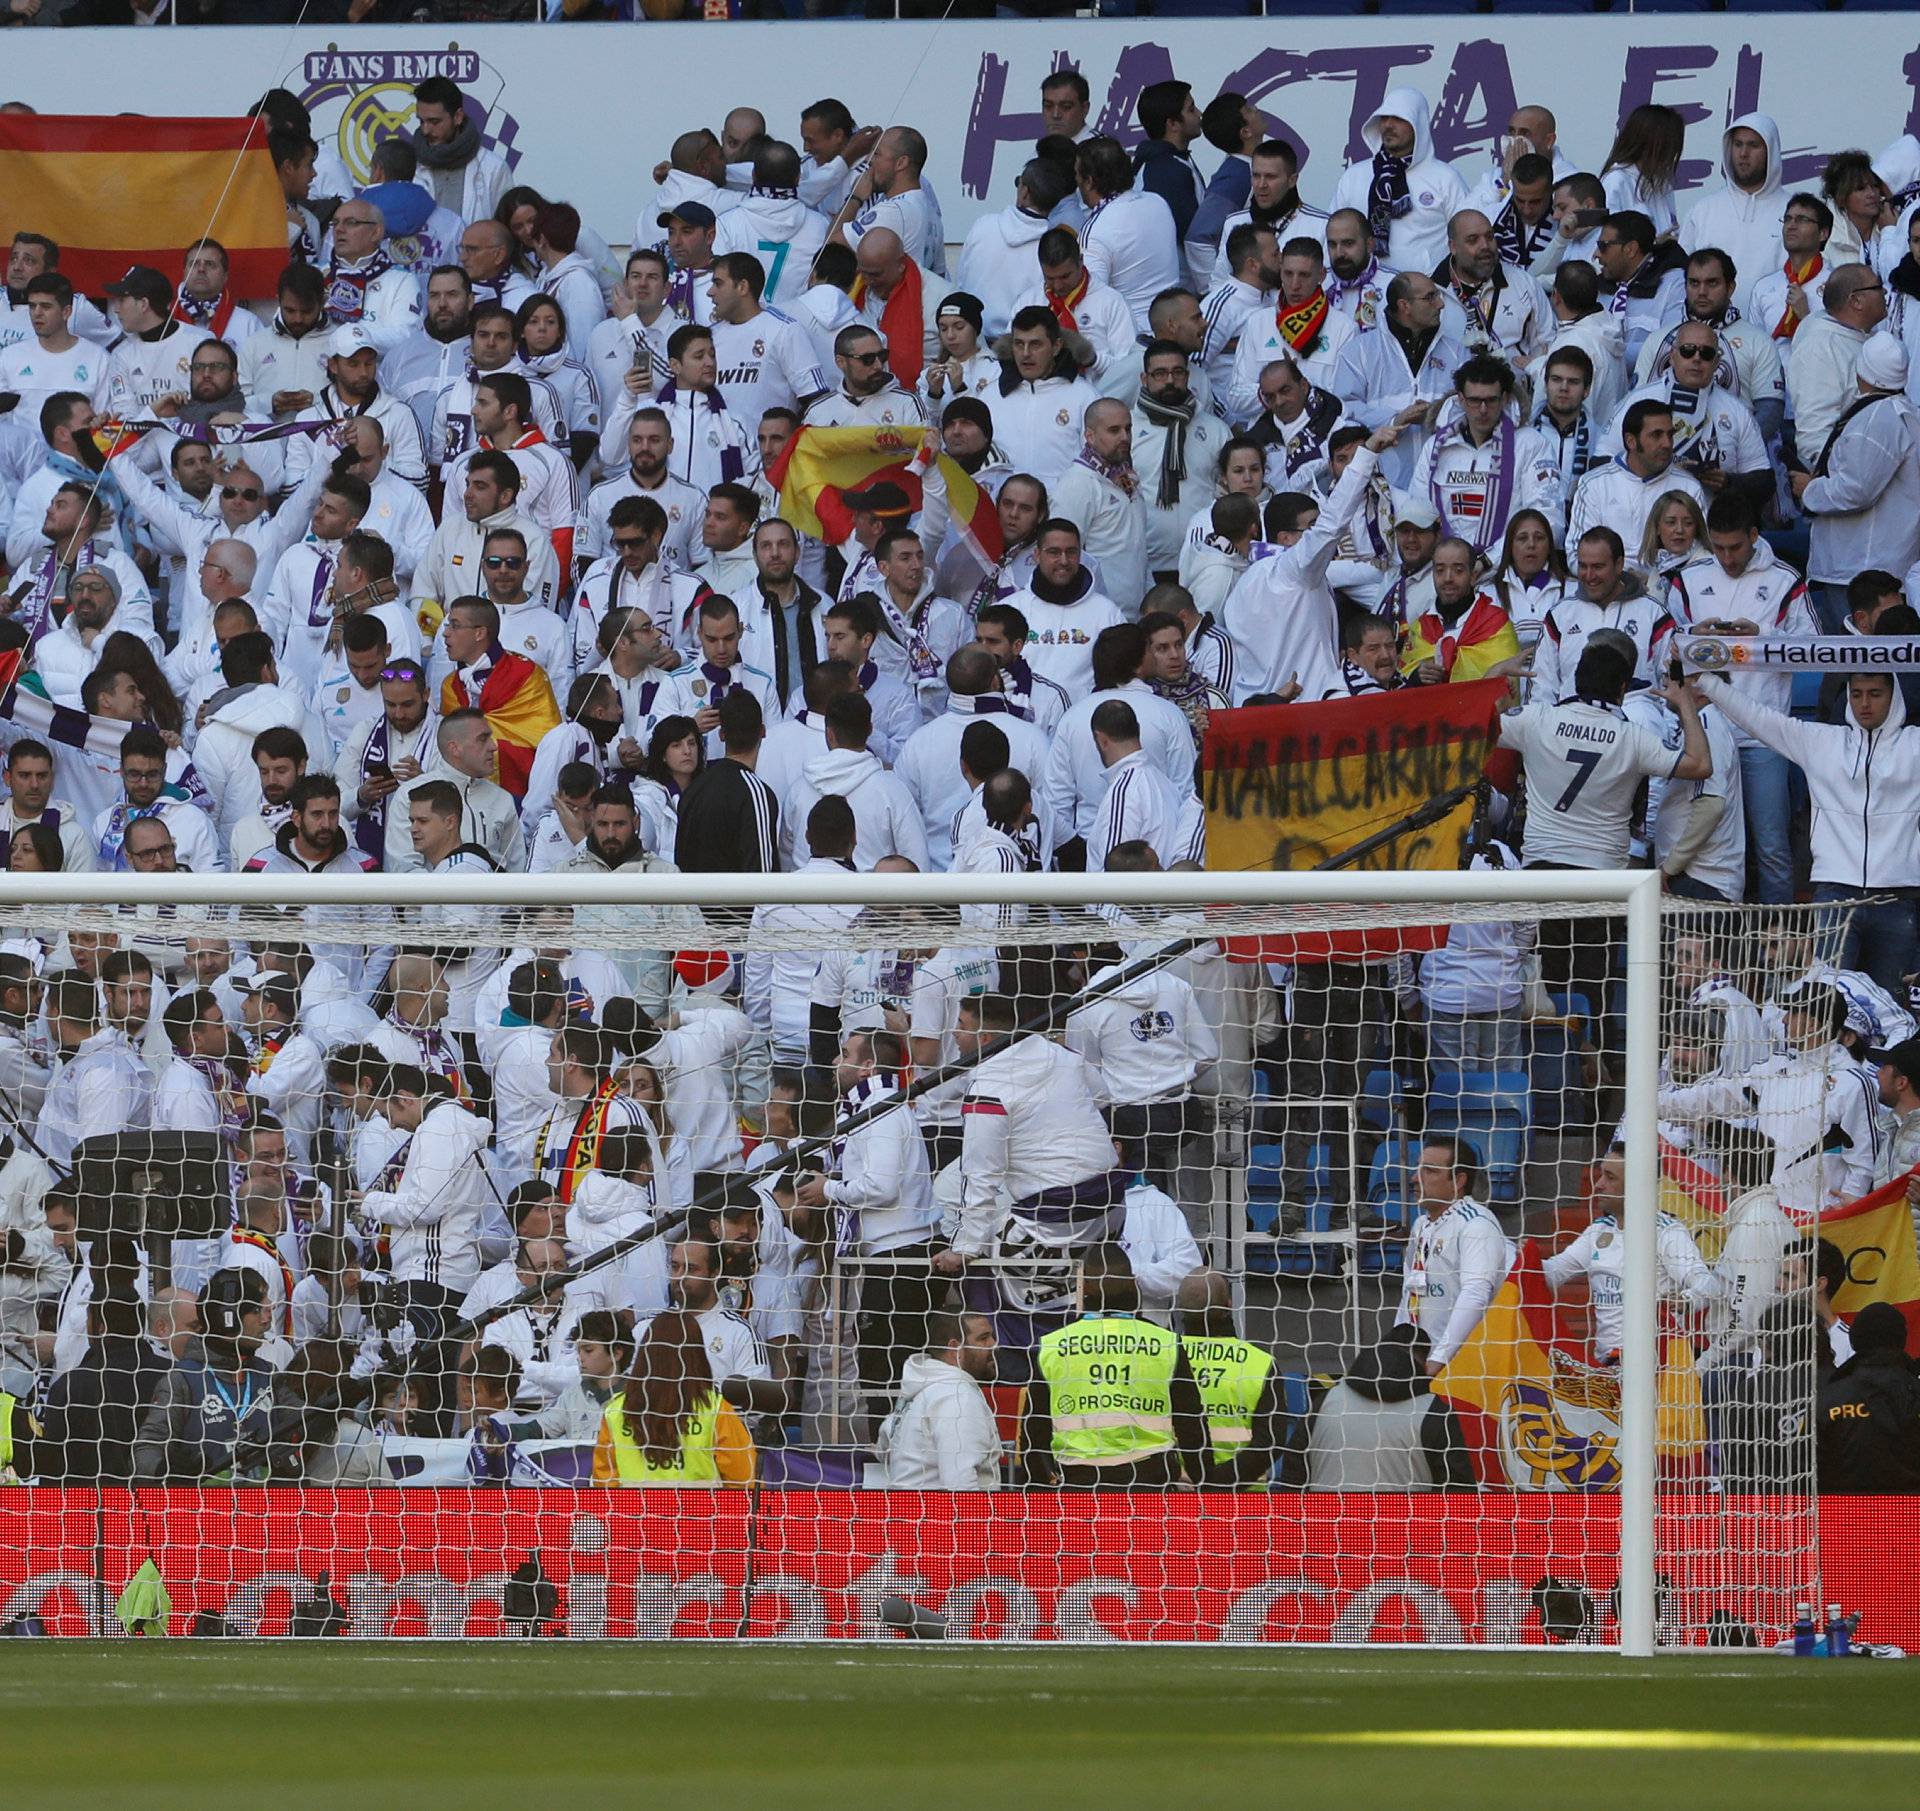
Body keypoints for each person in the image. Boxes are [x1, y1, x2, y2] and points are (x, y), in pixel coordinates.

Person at [1698, 668, 1920, 997]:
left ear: (1894, 696)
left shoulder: (1915, 745)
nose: (1864, 704)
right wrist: (1707, 681)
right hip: (1834, 896)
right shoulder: (1821, 742)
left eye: (1875, 694)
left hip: (1899, 898)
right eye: (1856, 694)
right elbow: (1758, 718)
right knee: (1825, 1003)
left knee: (1891, 1002)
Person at [1220, 424, 1401, 704]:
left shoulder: (1243, 584)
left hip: (1259, 711)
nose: (1318, 538)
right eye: (1311, 528)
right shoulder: (1295, 570)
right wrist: (1366, 455)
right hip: (1308, 709)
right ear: (1287, 538)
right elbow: (1332, 526)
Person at [1023, 1243, 1208, 1487]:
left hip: (1079, 1489)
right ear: (1133, 1283)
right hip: (1150, 1487)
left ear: (1083, 1286)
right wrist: (1206, 1486)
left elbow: (1032, 1437)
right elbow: (1192, 1428)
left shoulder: (1052, 1346)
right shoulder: (1166, 1343)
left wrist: (1045, 1488)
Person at [1791, 334, 1920, 633]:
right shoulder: (1903, 413)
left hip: (1860, 568)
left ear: (1861, 368)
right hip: (1880, 564)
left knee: (1857, 662)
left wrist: (1809, 490)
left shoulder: (1877, 418)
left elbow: (1856, 490)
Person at [133, 1268, 281, 1482]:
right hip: (206, 1511)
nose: (267, 1318)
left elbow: (306, 1431)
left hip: (266, 1509)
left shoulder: (270, 1375)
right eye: (257, 1308)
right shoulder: (181, 1380)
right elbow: (146, 1450)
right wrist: (165, 1469)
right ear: (228, 1319)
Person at [1410, 353, 1564, 557]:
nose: (1483, 410)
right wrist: (1450, 567)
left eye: (1491, 400)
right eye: (1475, 400)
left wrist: (1489, 562)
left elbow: (1548, 521)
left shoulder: (1530, 444)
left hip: (1507, 571)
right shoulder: (1436, 447)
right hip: (1443, 569)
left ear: (1505, 399)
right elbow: (1417, 513)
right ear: (1461, 399)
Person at [593, 1307, 755, 1488]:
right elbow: (745, 1483)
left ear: (646, 1353)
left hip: (634, 1514)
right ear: (696, 1354)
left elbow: (604, 1488)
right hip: (701, 1514)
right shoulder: (715, 1410)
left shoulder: (615, 1412)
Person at [1395, 1137, 1516, 1375]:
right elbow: (1409, 1293)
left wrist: (1438, 1360)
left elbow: (1475, 1295)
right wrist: (1398, 1350)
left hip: (1463, 1368)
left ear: (1459, 1181)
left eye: (1429, 1171)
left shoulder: (1476, 1224)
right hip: (1421, 1365)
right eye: (1418, 1168)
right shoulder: (1421, 1226)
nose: (1415, 1178)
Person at [1328, 86, 1466, 276]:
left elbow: (1467, 236)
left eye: (1399, 119)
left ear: (1418, 124)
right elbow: (1332, 234)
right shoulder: (1354, 176)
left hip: (1427, 295)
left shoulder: (1446, 178)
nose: (1388, 125)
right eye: (1384, 118)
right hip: (1365, 292)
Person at [1177, 1270, 1283, 1490]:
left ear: (1181, 1311)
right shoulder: (1259, 1363)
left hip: (1176, 1495)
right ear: (1229, 1304)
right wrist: (1222, 1482)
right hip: (1245, 1504)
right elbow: (1270, 1442)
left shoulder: (1164, 1357)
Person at [876, 1311, 1001, 1490]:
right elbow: (960, 1484)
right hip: (942, 1516)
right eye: (983, 1338)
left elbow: (884, 1446)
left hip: (910, 1511)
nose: (994, 1345)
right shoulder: (957, 1396)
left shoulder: (922, 1387)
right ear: (954, 1348)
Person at [1073, 137, 1180, 333]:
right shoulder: (1157, 202)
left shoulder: (1095, 231)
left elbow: (1091, 303)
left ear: (1089, 182)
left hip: (1132, 343)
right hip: (1173, 331)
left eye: (1077, 176)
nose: (1076, 183)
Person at [1788, 263, 1887, 467]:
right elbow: (1814, 435)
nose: (1884, 291)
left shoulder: (1860, 335)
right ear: (1856, 301)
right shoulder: (1819, 348)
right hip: (1844, 481)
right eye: (1877, 287)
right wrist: (1833, 483)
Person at [1815, 1301, 1920, 1492]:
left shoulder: (1830, 1396)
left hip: (1843, 1514)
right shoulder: (1913, 1391)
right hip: (1911, 1514)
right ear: (1902, 1339)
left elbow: (1811, 1465)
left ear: (1855, 1340)